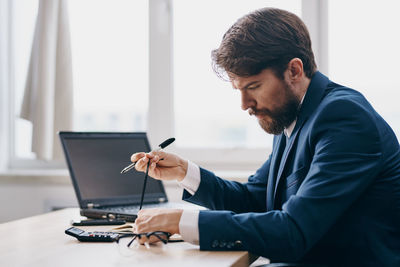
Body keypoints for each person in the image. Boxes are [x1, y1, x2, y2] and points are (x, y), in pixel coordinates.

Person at [130, 8, 400, 266]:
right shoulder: (292, 113)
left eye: (254, 87)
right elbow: (255, 200)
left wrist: (180, 222)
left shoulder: (343, 117)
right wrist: (184, 172)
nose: (245, 104)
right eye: (239, 89)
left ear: (294, 70)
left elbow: (293, 231)